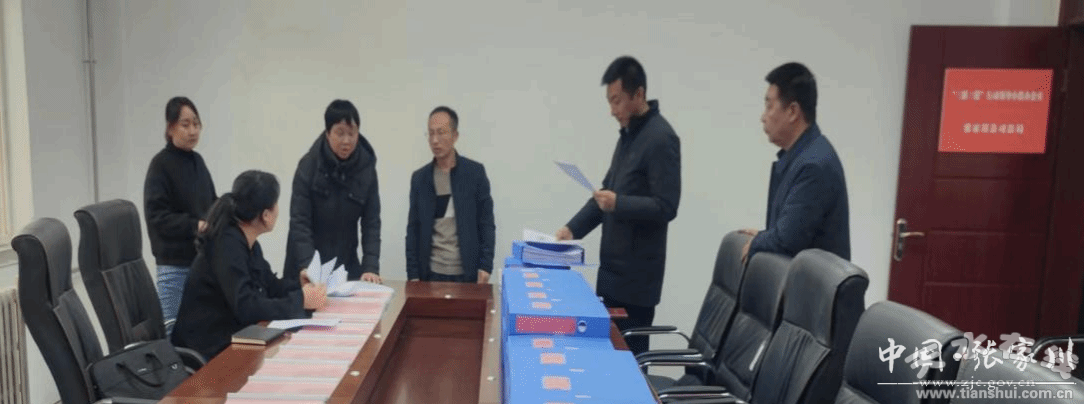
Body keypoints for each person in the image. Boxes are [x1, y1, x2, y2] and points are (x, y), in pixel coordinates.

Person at [556, 56, 681, 355]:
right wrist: (571, 230)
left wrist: (619, 203)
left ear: (639, 94)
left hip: (635, 285)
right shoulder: (628, 136)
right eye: (609, 102)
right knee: (606, 360)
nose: (612, 110)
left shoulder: (661, 138)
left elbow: (667, 206)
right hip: (611, 277)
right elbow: (604, 196)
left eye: (617, 101)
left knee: (628, 366)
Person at [172, 170, 327, 359]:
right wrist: (300, 300)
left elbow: (270, 286)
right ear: (266, 215)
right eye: (276, 203)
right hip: (208, 350)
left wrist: (299, 286)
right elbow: (246, 307)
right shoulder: (227, 246)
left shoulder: (246, 241)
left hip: (237, 337)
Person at [740, 62, 850, 265]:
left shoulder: (814, 165)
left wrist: (760, 241)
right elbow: (790, 232)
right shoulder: (802, 156)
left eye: (769, 106)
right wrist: (766, 236)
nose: (763, 117)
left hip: (813, 285)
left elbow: (787, 240)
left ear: (792, 112)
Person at [285, 100, 382, 283]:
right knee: (310, 302)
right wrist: (310, 267)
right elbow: (300, 222)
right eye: (340, 133)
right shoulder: (309, 166)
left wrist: (370, 266)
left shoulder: (366, 168)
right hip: (306, 264)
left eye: (352, 133)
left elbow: (371, 222)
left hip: (344, 263)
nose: (346, 141)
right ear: (328, 133)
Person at [143, 96, 217, 333]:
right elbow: (158, 217)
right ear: (170, 128)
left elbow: (212, 204)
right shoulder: (160, 165)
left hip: (200, 263)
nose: (193, 130)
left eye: (196, 124)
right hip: (174, 266)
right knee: (172, 334)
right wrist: (195, 225)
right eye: (185, 124)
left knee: (201, 332)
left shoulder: (197, 162)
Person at [405, 106, 495, 283]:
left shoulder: (475, 173)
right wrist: (413, 274)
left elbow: (486, 223)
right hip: (430, 273)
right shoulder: (420, 179)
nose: (435, 140)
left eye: (441, 133)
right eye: (431, 133)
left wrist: (486, 265)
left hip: (467, 273)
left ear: (455, 136)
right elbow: (413, 229)